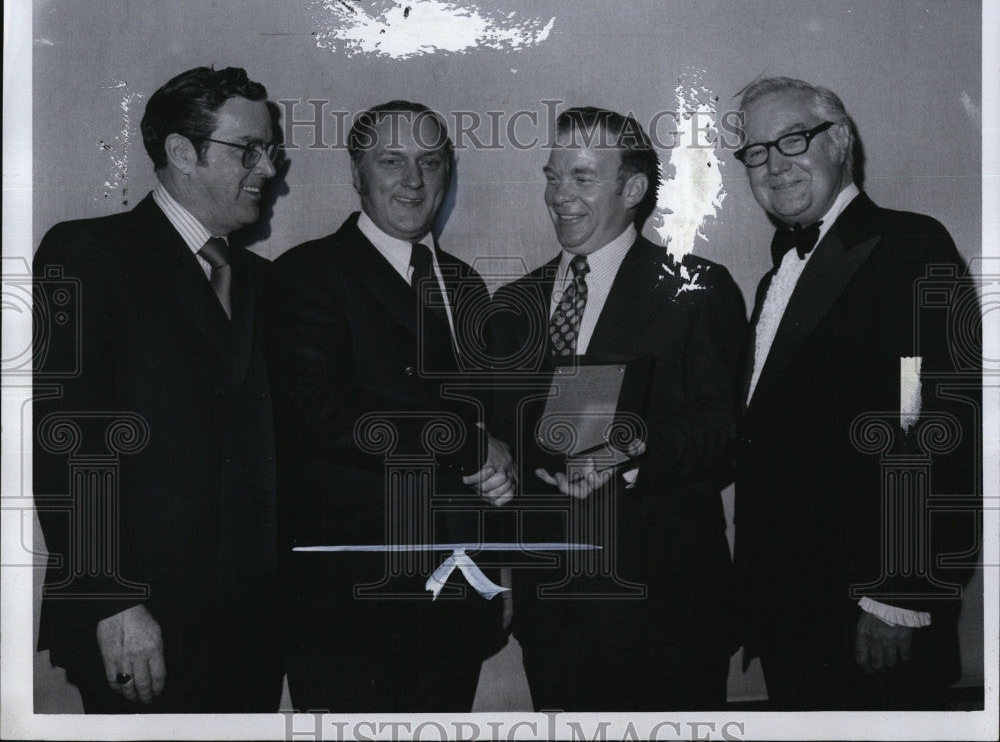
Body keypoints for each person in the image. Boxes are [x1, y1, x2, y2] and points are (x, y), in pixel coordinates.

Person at [32, 65, 284, 712]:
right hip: (137, 627)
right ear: (180, 152)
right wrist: (110, 600)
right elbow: (68, 441)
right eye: (247, 150)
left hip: (250, 633)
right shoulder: (89, 253)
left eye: (271, 150)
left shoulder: (262, 281)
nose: (268, 168)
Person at [732, 76, 980, 709]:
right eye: (756, 151)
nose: (773, 165)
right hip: (794, 610)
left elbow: (944, 428)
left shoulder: (908, 246)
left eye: (791, 140)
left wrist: (903, 593)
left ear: (839, 141)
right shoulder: (773, 279)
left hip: (871, 612)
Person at [489, 106, 747, 710]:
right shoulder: (514, 304)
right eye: (553, 177)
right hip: (549, 610)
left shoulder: (696, 289)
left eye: (581, 178)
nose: (559, 196)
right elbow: (508, 450)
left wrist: (630, 452)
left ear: (632, 190)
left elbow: (723, 430)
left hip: (664, 609)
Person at [265, 101, 515, 712]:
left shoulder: (462, 283)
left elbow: (494, 431)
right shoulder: (308, 274)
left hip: (457, 597)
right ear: (357, 173)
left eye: (430, 161)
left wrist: (500, 570)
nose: (413, 180)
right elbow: (321, 413)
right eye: (391, 161)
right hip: (352, 608)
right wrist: (465, 437)